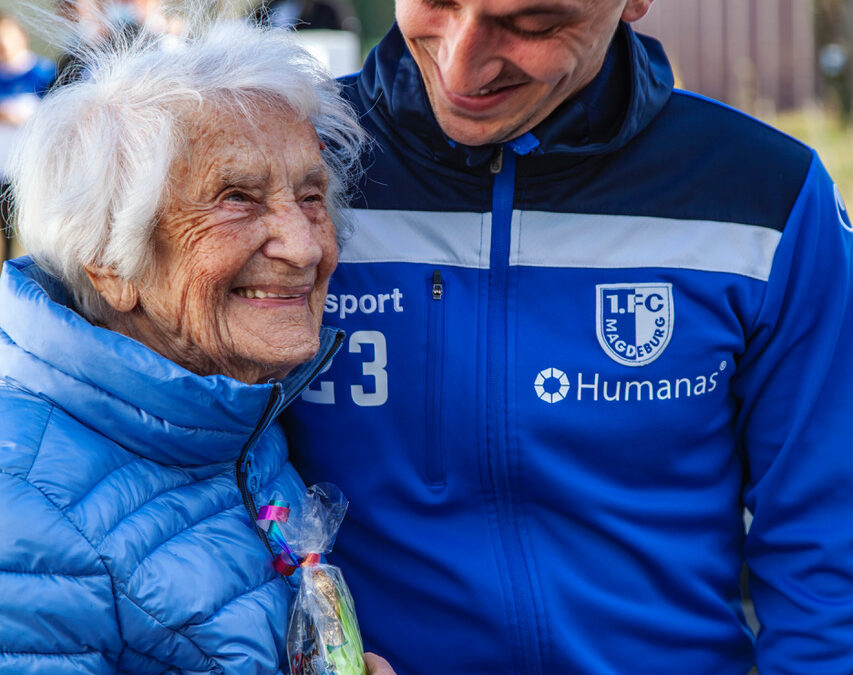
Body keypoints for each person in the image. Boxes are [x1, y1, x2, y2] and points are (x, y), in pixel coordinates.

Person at [283, 0, 853, 673]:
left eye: (532, 25)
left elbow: (827, 542)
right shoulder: (282, 167)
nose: (461, 62)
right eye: (437, 0)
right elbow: (167, 463)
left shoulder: (765, 198)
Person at [0, 16, 394, 675]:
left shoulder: (228, 418)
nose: (304, 246)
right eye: (235, 199)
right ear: (108, 262)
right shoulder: (27, 513)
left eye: (311, 195)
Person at [0, 13, 55, 262]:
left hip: (29, 169)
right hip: (3, 168)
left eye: (7, 35)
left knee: (29, 231)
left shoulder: (43, 73)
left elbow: (54, 116)